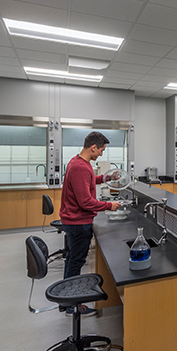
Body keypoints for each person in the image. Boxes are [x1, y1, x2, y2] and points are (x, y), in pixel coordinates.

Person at [60, 132, 121, 315]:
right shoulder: (80, 167)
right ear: (93, 147)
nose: (101, 154)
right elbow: (85, 201)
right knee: (75, 262)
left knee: (72, 259)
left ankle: (66, 299)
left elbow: (87, 181)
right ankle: (71, 305)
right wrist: (109, 205)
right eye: (101, 150)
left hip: (74, 220)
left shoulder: (78, 162)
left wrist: (106, 178)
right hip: (78, 222)